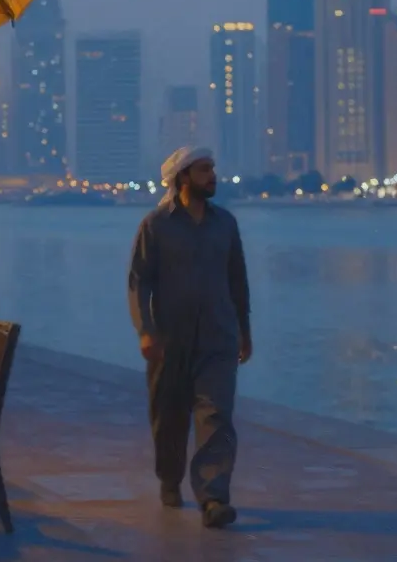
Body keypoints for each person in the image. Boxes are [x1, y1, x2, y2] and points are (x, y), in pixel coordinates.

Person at [127, 146, 252, 529]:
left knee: (216, 415)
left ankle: (213, 498)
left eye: (212, 168)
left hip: (219, 337)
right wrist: (146, 330)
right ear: (182, 178)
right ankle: (169, 478)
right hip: (169, 340)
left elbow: (237, 281)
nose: (212, 176)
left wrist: (245, 332)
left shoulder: (225, 224)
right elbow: (139, 282)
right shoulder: (156, 225)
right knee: (169, 417)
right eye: (204, 170)